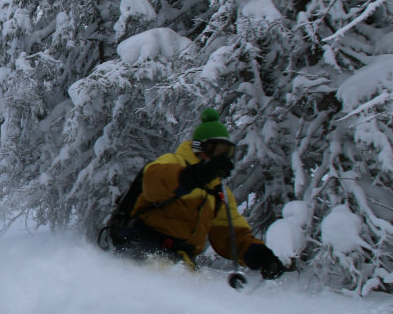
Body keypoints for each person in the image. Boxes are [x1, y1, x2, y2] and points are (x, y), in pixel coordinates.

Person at [113, 108, 286, 279]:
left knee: (197, 285)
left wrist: (260, 256)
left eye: (226, 151)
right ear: (198, 147)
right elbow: (154, 182)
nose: (220, 156)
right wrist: (194, 176)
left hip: (180, 259)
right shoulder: (173, 163)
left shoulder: (217, 192)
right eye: (215, 149)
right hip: (142, 244)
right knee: (164, 273)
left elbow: (230, 235)